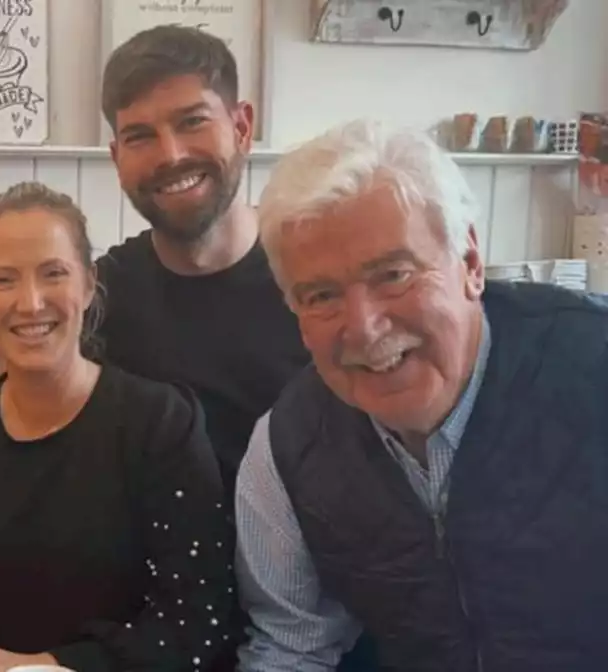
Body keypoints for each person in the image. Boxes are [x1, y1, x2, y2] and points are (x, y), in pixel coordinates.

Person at [235, 118, 608, 671]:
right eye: (321, 295)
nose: (363, 328)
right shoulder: (287, 446)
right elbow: (294, 648)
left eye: (393, 274)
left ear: (471, 264)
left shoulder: (592, 370)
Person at [0, 182, 239, 672]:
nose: (31, 302)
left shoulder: (161, 425)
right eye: (3, 280)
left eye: (53, 274)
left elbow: (195, 623)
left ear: (87, 285)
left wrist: (39, 666)